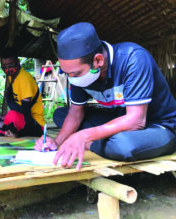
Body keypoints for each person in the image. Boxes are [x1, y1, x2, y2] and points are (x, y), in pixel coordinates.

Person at [34, 22, 176, 170]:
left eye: (75, 74)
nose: (72, 78)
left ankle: (92, 144)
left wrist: (84, 137)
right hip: (117, 118)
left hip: (157, 125)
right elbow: (75, 113)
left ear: (98, 60)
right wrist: (56, 143)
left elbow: (136, 121)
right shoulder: (77, 73)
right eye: (67, 73)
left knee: (123, 145)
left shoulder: (133, 59)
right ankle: (103, 140)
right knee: (60, 114)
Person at [0, 47, 45, 137]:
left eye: (10, 65)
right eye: (4, 66)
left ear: (18, 62)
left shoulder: (25, 79)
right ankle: (8, 132)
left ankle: (7, 129)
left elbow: (25, 111)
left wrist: (9, 107)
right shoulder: (12, 77)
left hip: (35, 124)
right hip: (18, 120)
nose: (7, 68)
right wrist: (4, 119)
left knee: (12, 115)